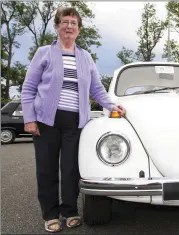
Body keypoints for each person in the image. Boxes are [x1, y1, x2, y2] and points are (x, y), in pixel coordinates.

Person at [21, 7, 126, 233]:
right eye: (65, 22)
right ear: (57, 26)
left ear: (79, 29)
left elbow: (97, 88)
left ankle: (70, 211)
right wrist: (29, 118)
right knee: (46, 169)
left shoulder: (85, 57)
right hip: (46, 120)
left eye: (74, 23)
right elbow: (28, 88)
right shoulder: (44, 53)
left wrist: (111, 105)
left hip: (75, 122)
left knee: (71, 169)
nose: (69, 26)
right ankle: (50, 214)